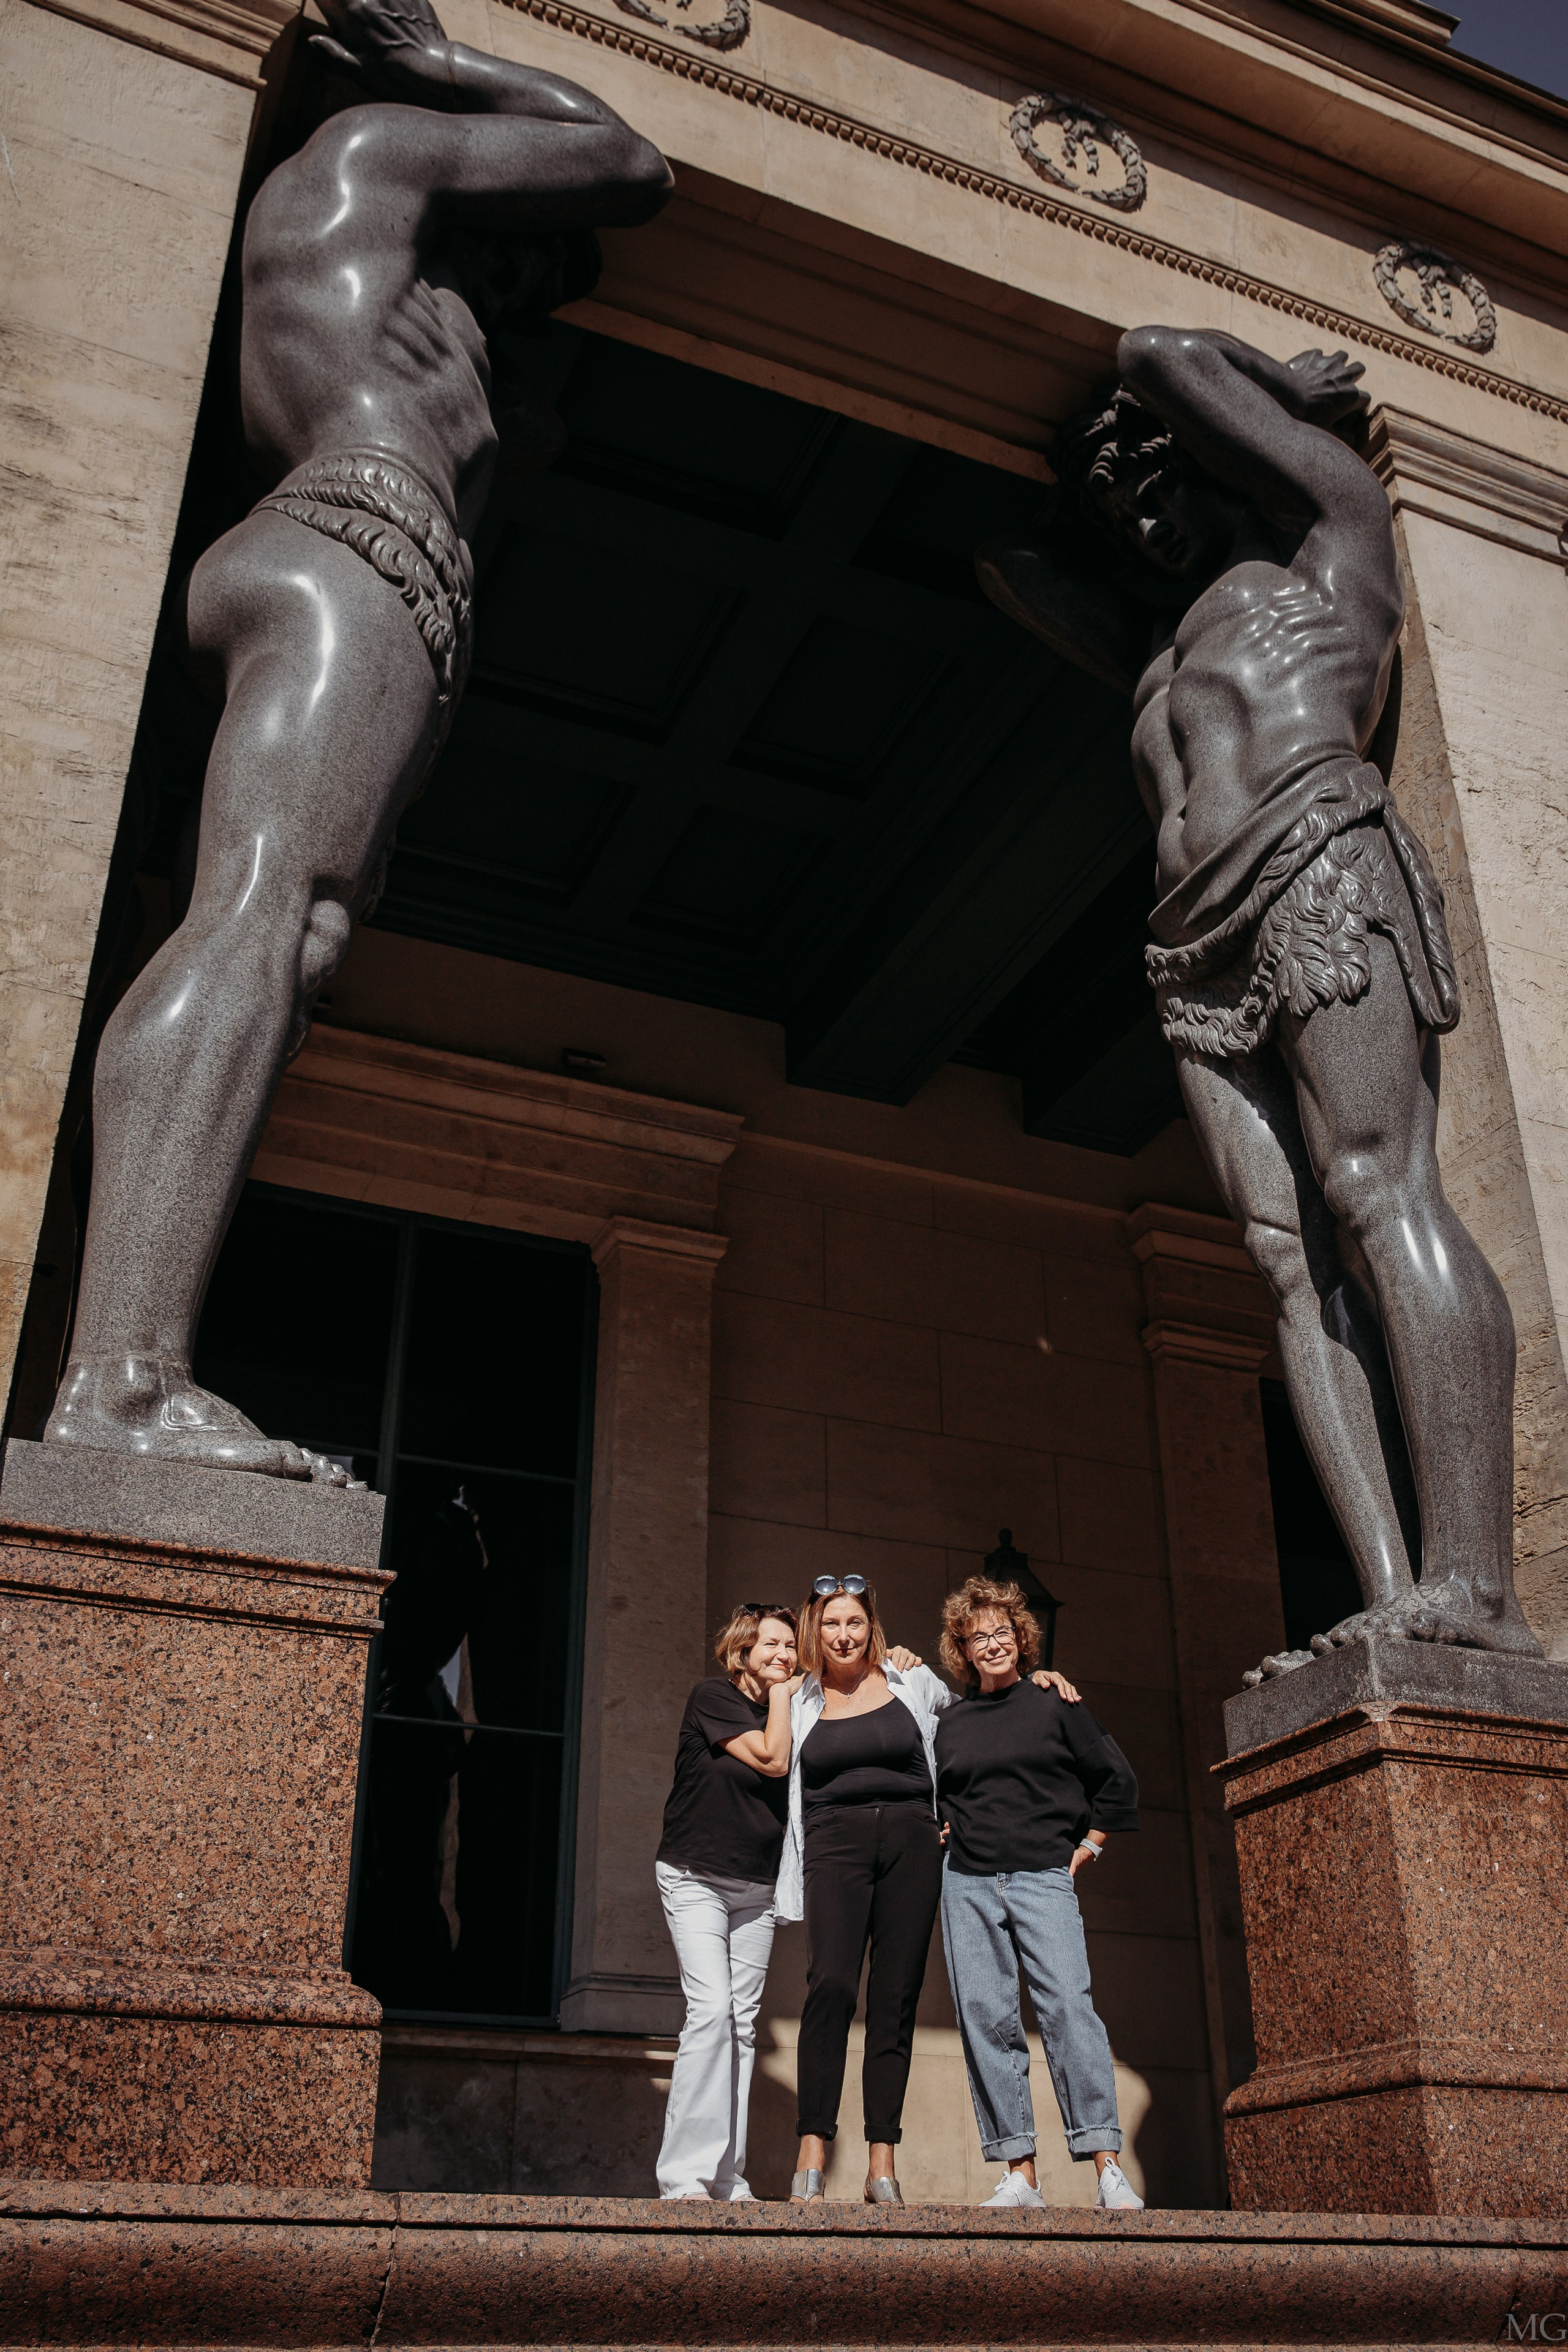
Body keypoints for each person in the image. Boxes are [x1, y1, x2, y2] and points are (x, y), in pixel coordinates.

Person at [45, 0, 673, 1477]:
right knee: (263, 917)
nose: (520, 273)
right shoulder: (373, 154)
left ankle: (122, 1365)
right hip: (353, 541)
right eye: (518, 242)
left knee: (290, 931)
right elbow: (631, 156)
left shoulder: (415, 305)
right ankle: (121, 1379)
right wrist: (443, 67)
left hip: (368, 561)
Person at [976, 328, 1541, 1676]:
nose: (1138, 515)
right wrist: (1096, 500)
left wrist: (1277, 392)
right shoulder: (1154, 642)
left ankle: (1477, 1579)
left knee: (1376, 1189)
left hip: (1311, 859)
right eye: (1117, 502)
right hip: (1191, 942)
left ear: (1226, 457)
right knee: (1283, 1258)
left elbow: (1150, 347)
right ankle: (1387, 1587)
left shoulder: (1333, 547)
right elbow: (1012, 568)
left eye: (1154, 484)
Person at [777, 1574, 1078, 2205]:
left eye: (854, 1622)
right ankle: (812, 2148)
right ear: (815, 1630)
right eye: (831, 1623)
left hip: (914, 1848)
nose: (843, 1634)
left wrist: (1037, 1681)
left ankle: (881, 2160)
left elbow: (982, 1714)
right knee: (830, 1985)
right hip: (833, 1847)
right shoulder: (798, 1697)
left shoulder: (911, 1680)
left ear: (871, 1627)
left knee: (895, 1998)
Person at [935, 1576, 1142, 2212]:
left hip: (1041, 1877)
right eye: (979, 1637)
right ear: (962, 1650)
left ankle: (1106, 2164)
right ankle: (1020, 2174)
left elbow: (1117, 1781)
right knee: (986, 2021)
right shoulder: (952, 1721)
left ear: (1021, 1641)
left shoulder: (1057, 1702)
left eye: (1002, 1633)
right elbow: (947, 1796)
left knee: (1067, 2013)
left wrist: (1088, 1847)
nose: (992, 1644)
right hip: (966, 1881)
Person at [654, 1604, 800, 2201]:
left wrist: (896, 1664)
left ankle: (725, 2175)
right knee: (711, 2013)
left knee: (739, 2028)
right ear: (744, 1648)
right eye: (772, 1644)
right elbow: (772, 1758)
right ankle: (683, 2176)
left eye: (792, 1646)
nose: (784, 1656)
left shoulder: (790, 1710)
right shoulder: (714, 1697)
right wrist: (786, 1694)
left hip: (756, 1888)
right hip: (696, 1879)